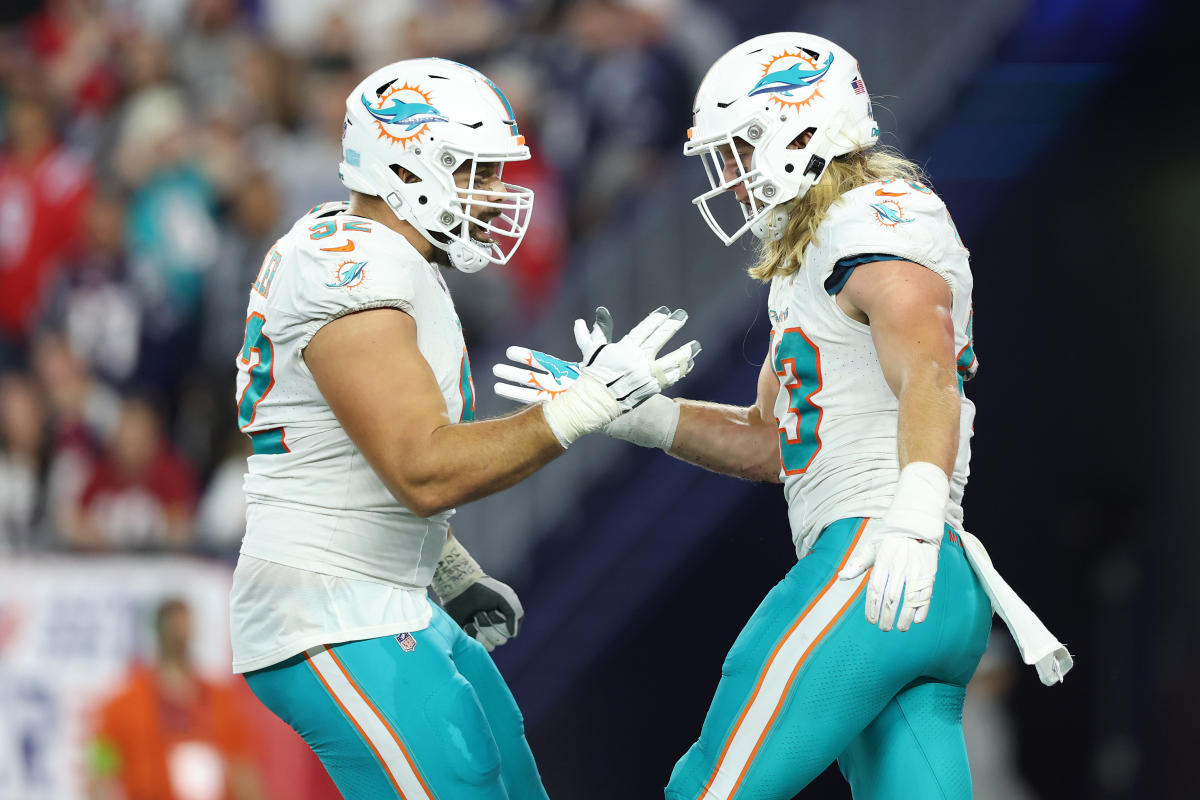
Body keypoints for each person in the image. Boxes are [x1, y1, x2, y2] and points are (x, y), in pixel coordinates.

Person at [493, 32, 1072, 799]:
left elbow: (930, 371)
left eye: (740, 150)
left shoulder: (875, 223)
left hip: (878, 555)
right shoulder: (823, 248)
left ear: (803, 131)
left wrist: (915, 512)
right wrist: (630, 414)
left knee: (711, 788)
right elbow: (771, 442)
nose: (730, 178)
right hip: (922, 574)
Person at [230, 57, 699, 799]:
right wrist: (579, 409)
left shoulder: (375, 255)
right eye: (475, 172)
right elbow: (420, 468)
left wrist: (445, 567)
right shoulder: (354, 268)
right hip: (331, 607)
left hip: (385, 589)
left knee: (507, 769)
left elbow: (354, 456)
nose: (494, 195)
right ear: (405, 165)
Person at [88, 598, 266, 800]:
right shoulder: (119, 706)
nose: (179, 634)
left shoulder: (222, 701)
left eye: (183, 626)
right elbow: (100, 772)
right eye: (174, 626)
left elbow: (242, 768)